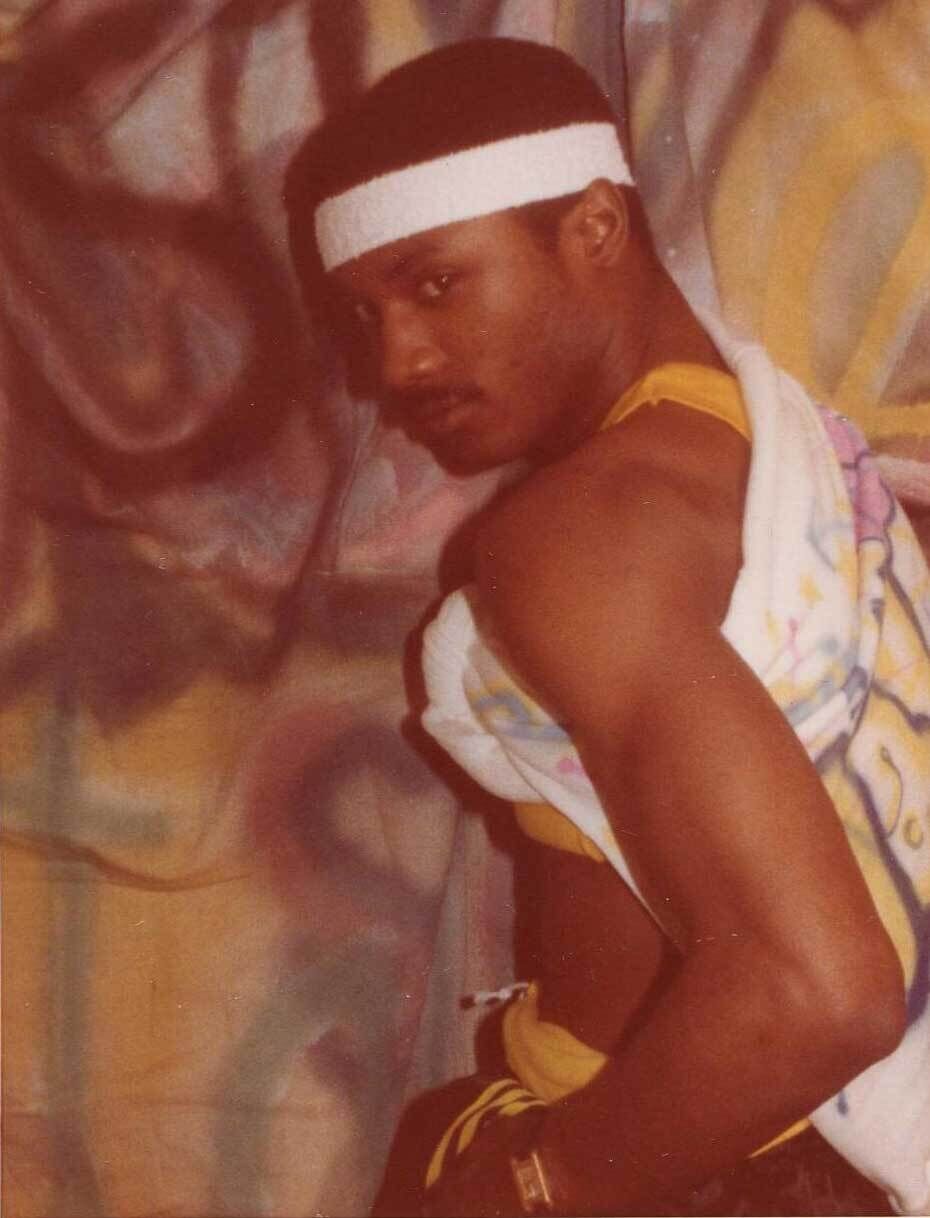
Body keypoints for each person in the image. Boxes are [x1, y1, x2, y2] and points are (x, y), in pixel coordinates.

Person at [285, 38, 930, 1217]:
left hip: (702, 1167)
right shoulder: (777, 444)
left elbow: (823, 990)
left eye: (436, 284)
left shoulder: (583, 532)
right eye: (364, 312)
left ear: (593, 227)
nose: (396, 363)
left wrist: (533, 1185)